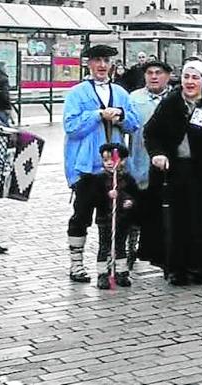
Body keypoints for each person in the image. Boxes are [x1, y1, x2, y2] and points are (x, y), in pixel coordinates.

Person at [142, 60, 202, 286]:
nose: (190, 82)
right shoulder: (171, 102)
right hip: (177, 170)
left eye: (195, 78)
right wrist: (157, 153)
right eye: (186, 77)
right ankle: (176, 267)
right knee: (177, 221)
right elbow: (151, 133)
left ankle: (200, 265)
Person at [63, 44, 139, 284]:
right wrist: (97, 115)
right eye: (97, 60)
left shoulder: (120, 92)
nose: (102, 65)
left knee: (112, 219)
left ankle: (110, 267)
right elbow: (71, 126)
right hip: (87, 167)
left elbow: (134, 124)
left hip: (114, 169)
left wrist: (122, 117)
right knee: (81, 216)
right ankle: (76, 264)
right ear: (89, 64)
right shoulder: (77, 93)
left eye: (105, 61)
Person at [128, 60, 173, 269]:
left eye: (158, 73)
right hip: (140, 161)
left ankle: (163, 250)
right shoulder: (134, 99)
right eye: (149, 73)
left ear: (167, 76)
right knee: (136, 208)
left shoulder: (175, 98)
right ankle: (131, 248)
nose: (154, 77)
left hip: (167, 166)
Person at [95, 143, 138, 289]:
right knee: (104, 246)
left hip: (122, 219)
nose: (108, 163)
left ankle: (121, 272)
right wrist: (106, 195)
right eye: (105, 160)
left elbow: (135, 195)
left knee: (120, 245)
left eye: (112, 160)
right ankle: (102, 274)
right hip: (105, 219)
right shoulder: (100, 179)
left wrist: (129, 202)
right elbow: (95, 198)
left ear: (122, 161)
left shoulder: (127, 178)